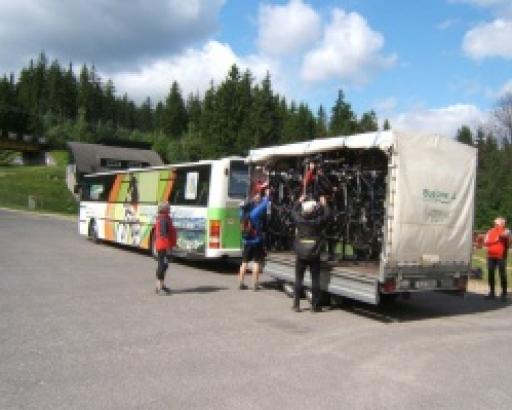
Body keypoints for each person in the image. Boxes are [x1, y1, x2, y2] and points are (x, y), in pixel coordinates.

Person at [291, 195, 330, 312]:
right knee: (315, 281)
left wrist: (299, 201)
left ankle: (296, 305)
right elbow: (327, 216)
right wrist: (324, 204)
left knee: (298, 280)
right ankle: (315, 306)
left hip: (301, 255)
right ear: (313, 211)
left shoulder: (299, 221)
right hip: (314, 255)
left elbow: (293, 211)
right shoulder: (317, 222)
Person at [238, 184, 270, 291]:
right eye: (258, 195)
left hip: (246, 240)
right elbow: (266, 203)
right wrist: (267, 194)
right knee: (256, 262)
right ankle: (255, 285)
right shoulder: (256, 212)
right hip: (256, 240)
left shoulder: (242, 212)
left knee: (244, 262)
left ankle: (241, 283)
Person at [154, 202, 177, 295]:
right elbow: (164, 234)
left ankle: (160, 285)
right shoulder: (163, 219)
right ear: (164, 209)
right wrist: (168, 248)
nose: (170, 208)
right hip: (164, 246)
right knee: (162, 265)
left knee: (164, 265)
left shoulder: (165, 218)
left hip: (164, 245)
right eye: (168, 207)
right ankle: (159, 286)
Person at [484, 217, 509, 300]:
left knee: (502, 274)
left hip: (501, 256)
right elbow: (486, 242)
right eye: (495, 223)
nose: (496, 225)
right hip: (491, 255)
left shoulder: (506, 231)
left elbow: (504, 236)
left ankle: (504, 294)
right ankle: (492, 292)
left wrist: (498, 234)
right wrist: (495, 240)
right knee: (491, 274)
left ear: (502, 224)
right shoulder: (490, 231)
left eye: (497, 223)